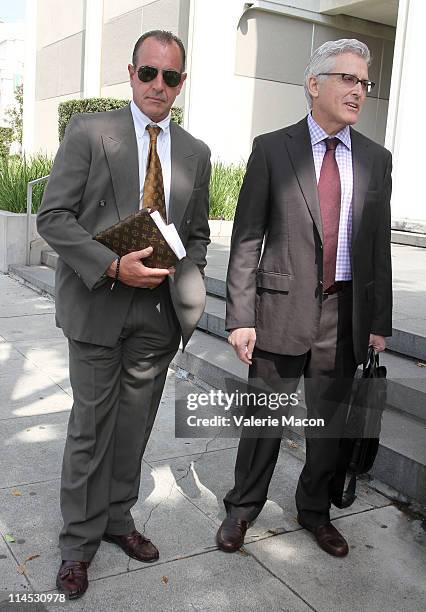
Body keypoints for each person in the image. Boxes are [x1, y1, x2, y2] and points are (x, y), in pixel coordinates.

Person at [37, 30, 210, 599]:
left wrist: (186, 283)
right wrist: (113, 266)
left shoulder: (195, 153)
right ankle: (76, 544)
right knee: (91, 430)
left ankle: (117, 519)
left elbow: (198, 236)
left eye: (172, 76)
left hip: (156, 317)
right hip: (97, 304)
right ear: (131, 72)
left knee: (133, 429)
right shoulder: (90, 133)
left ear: (182, 83)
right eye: (149, 73)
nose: (159, 85)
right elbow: (54, 218)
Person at [216, 39, 392, 558]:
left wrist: (378, 322)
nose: (358, 91)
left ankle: (314, 511)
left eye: (364, 82)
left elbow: (378, 248)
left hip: (345, 316)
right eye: (348, 79)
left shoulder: (377, 160)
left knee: (330, 427)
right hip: (278, 311)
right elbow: (247, 237)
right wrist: (240, 315)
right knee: (264, 422)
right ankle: (241, 510)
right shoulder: (273, 149)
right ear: (314, 85)